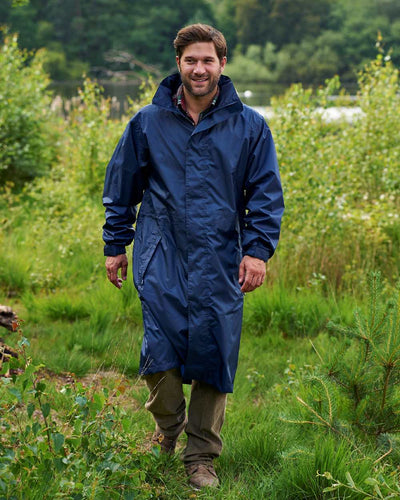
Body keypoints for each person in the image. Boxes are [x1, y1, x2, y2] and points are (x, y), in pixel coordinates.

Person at [103, 23, 284, 489]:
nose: (199, 68)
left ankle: (201, 456)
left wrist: (258, 251)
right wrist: (115, 245)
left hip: (222, 254)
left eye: (208, 60)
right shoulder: (148, 122)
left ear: (223, 64)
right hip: (160, 251)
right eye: (190, 60)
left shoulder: (250, 126)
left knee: (214, 353)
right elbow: (121, 186)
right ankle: (169, 427)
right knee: (159, 354)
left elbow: (264, 195)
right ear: (178, 64)